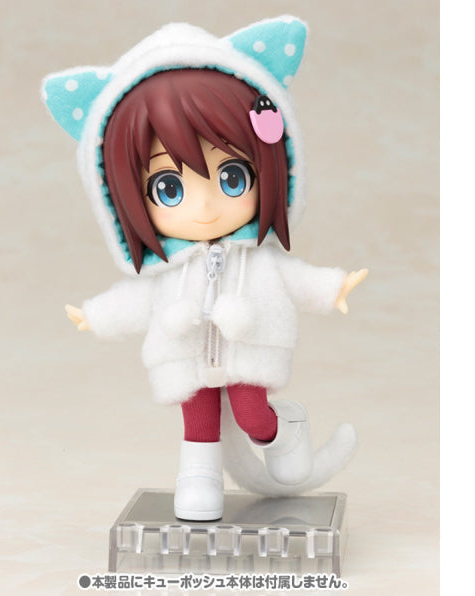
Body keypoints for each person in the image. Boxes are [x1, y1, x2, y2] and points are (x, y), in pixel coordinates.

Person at [43, 16, 367, 521]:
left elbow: (295, 277)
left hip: (250, 345)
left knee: (252, 414)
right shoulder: (169, 269)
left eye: (232, 177)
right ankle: (198, 475)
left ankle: (283, 431)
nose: (206, 207)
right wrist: (96, 315)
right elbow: (138, 300)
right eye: (169, 188)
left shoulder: (257, 258)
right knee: (197, 417)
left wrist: (333, 287)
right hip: (184, 350)